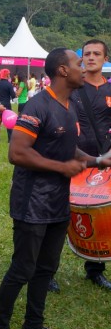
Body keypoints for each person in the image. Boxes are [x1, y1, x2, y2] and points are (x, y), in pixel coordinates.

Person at [0, 48, 111, 329]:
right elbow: (17, 153)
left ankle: (33, 325)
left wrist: (96, 161)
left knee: (46, 267)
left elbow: (69, 148)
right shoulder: (38, 107)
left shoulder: (69, 106)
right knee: (23, 268)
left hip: (57, 201)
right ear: (63, 71)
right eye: (78, 63)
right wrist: (61, 166)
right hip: (31, 202)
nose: (84, 68)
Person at [50, 39, 111, 292]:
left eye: (97, 53)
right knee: (60, 215)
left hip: (103, 162)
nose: (92, 57)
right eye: (87, 53)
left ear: (105, 58)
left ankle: (95, 270)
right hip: (72, 159)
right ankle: (48, 270)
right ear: (81, 57)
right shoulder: (73, 87)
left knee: (99, 215)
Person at [0, 68, 17, 143]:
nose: (9, 75)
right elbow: (13, 96)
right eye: (8, 74)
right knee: (9, 122)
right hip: (7, 106)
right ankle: (9, 140)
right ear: (7, 75)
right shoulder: (9, 84)